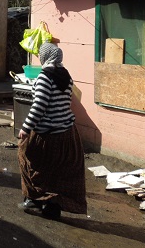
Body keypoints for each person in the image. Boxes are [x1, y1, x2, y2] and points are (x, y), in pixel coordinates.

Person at [17, 42, 87, 220]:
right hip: (67, 133)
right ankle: (52, 206)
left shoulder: (44, 77)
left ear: (45, 57)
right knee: (58, 172)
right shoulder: (66, 76)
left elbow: (39, 105)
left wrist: (26, 128)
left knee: (27, 159)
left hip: (48, 135)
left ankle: (34, 200)